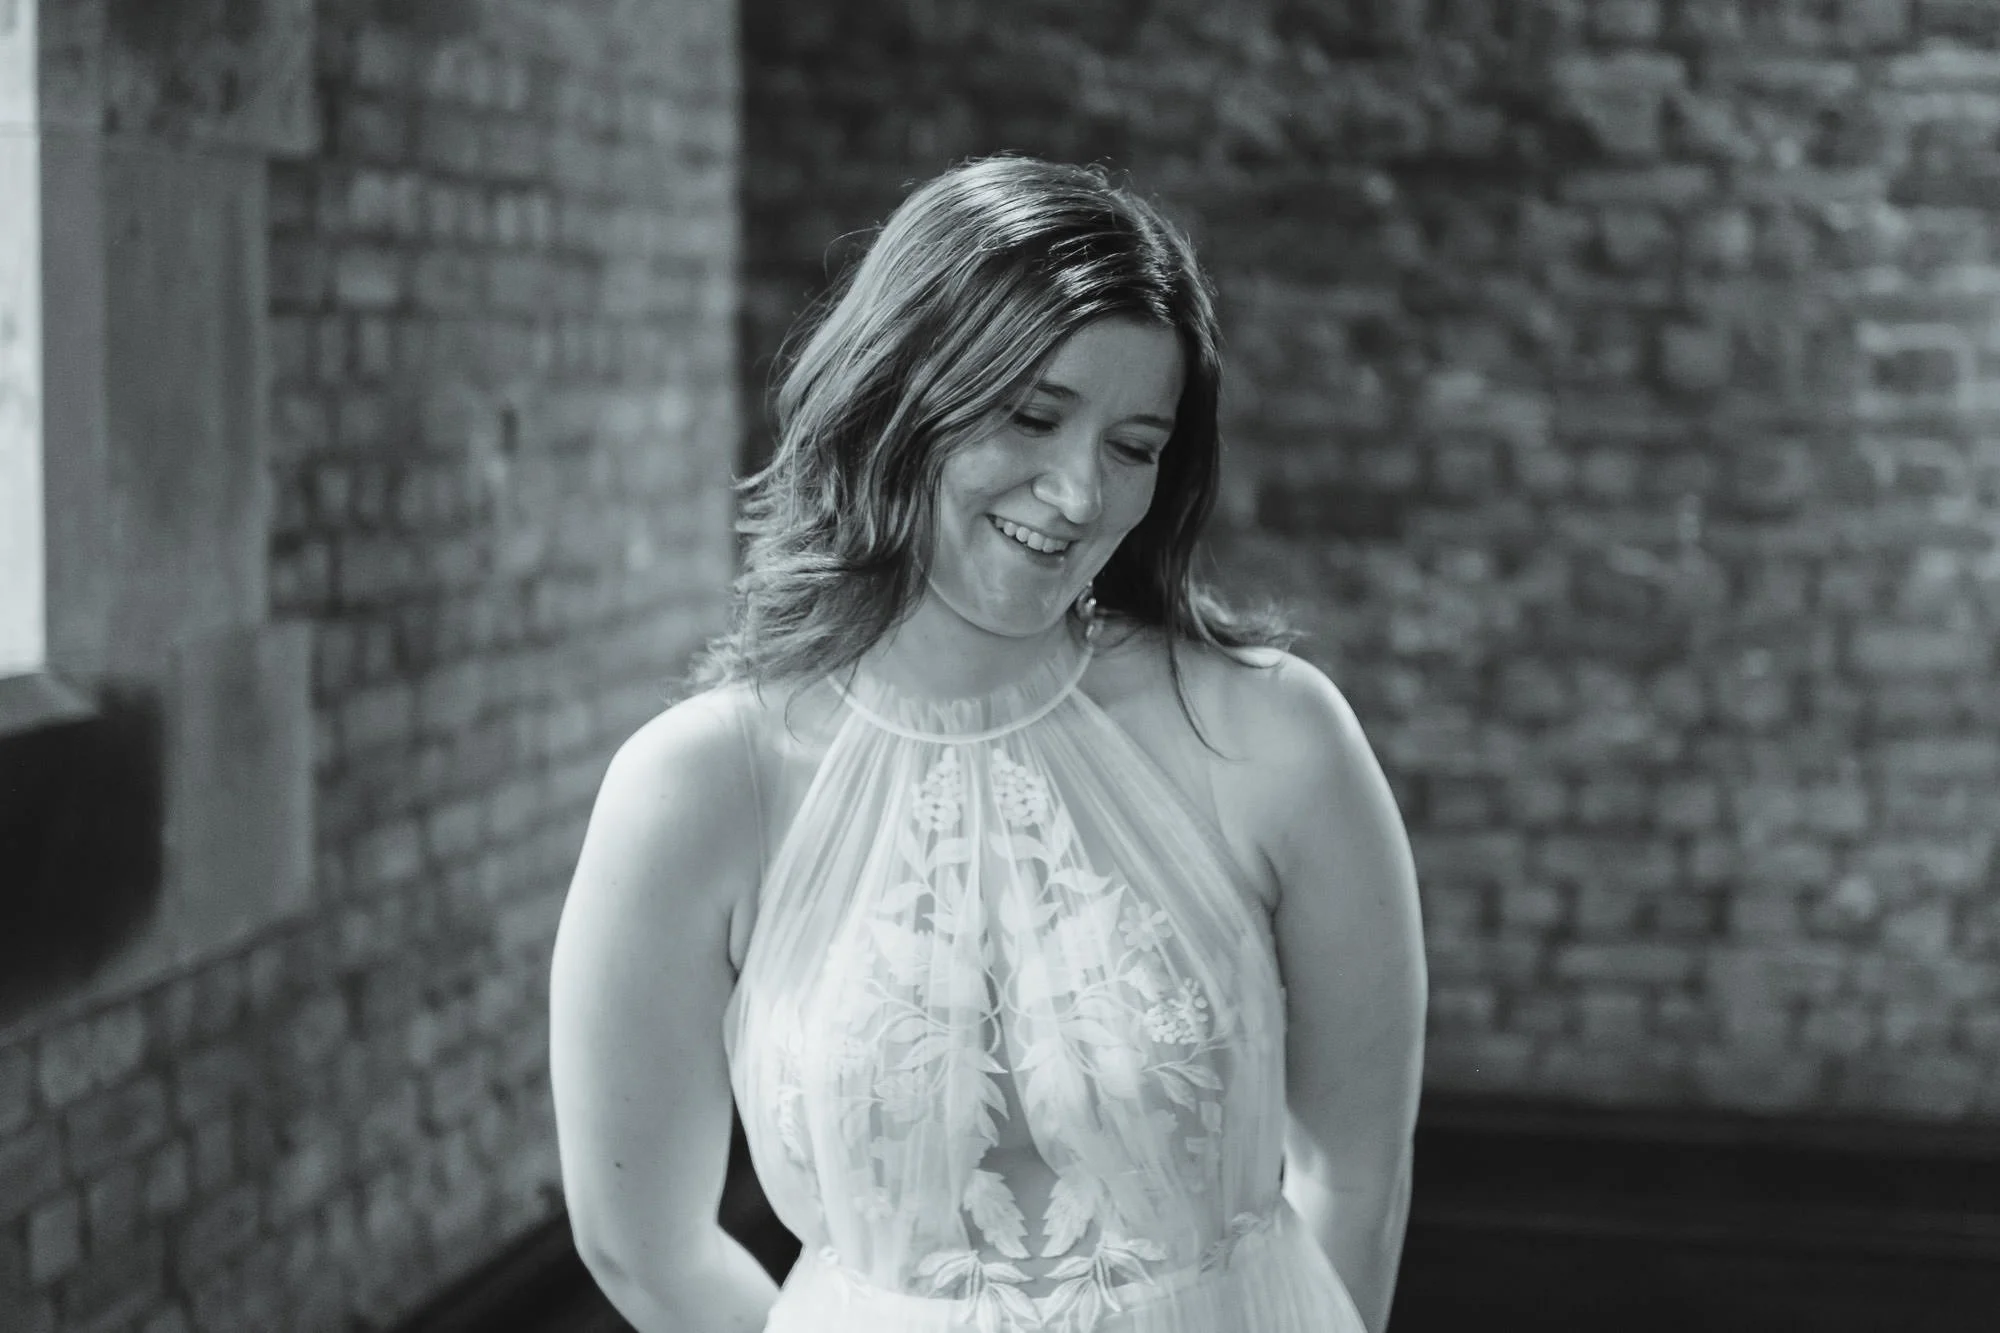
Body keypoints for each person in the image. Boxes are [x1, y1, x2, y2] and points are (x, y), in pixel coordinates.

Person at [549, 155, 1427, 1333]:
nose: (1078, 493)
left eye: (1132, 445)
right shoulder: (701, 784)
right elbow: (639, 1242)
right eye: (1032, 416)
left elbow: (1357, 1177)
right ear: (897, 395)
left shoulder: (1270, 736)